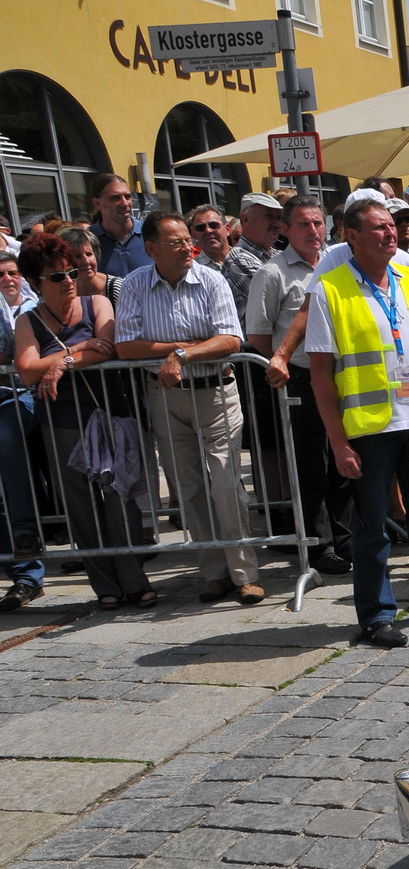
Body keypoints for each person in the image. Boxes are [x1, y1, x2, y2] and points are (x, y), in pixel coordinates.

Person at [305, 198, 409, 648]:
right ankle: (376, 615)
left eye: (391, 226)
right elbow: (320, 373)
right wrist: (339, 442)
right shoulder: (329, 289)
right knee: (372, 525)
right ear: (351, 237)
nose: (390, 233)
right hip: (370, 426)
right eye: (377, 228)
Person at [116, 210, 261, 606]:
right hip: (165, 397)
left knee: (225, 482)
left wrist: (182, 353)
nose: (187, 247)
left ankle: (245, 573)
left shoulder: (211, 280)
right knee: (188, 486)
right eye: (176, 241)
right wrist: (188, 350)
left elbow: (231, 339)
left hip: (216, 394)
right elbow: (127, 346)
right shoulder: (134, 286)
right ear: (151, 248)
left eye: (187, 239)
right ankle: (214, 573)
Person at [12, 232, 154, 610]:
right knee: (81, 506)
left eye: (72, 272)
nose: (69, 281)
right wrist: (78, 349)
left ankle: (135, 581)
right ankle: (105, 587)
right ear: (34, 283)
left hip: (110, 412)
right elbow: (26, 370)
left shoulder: (98, 303)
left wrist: (63, 362)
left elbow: (110, 346)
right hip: (62, 420)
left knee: (119, 498)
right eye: (57, 277)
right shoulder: (28, 321)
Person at [245, 195, 353, 576]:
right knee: (311, 467)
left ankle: (344, 536)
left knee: (343, 462)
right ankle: (318, 543)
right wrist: (284, 362)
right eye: (304, 224)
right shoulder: (273, 273)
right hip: (301, 380)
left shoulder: (338, 263)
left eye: (318, 223)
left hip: (342, 375)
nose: (313, 231)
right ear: (285, 229)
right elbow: (258, 336)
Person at [189, 204, 261, 319]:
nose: (208, 230)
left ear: (227, 229)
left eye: (213, 225)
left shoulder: (249, 259)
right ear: (193, 234)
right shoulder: (191, 271)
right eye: (201, 228)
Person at [90, 174, 147, 279]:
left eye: (127, 197)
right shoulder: (87, 241)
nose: (125, 203)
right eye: (116, 198)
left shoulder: (150, 233)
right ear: (98, 203)